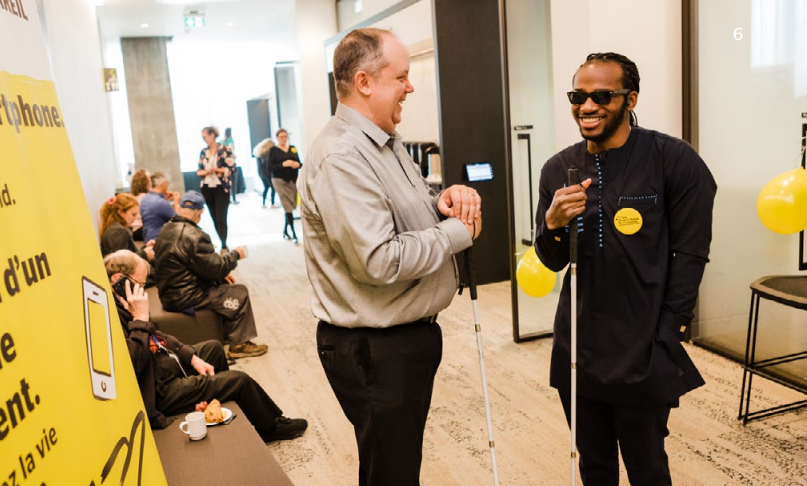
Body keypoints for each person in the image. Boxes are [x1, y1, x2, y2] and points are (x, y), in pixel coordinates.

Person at [297, 28, 482, 486]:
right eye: (401, 77)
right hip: (374, 350)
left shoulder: (383, 140)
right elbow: (380, 259)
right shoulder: (342, 156)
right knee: (390, 474)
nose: (410, 87)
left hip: (401, 340)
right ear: (364, 82)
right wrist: (457, 233)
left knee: (395, 466)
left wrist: (442, 202)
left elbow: (402, 214)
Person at [533, 52, 717, 486]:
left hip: (644, 344)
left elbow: (691, 254)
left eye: (602, 96)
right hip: (579, 344)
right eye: (578, 96)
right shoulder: (558, 169)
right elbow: (551, 259)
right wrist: (553, 224)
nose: (587, 106)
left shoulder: (673, 159)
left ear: (630, 99)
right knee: (594, 465)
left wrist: (668, 332)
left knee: (646, 464)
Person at [104, 249, 307, 441]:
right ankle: (269, 427)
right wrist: (140, 318)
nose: (142, 290)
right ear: (118, 280)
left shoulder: (124, 302)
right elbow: (132, 363)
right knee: (238, 381)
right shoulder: (109, 317)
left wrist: (189, 355)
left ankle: (217, 410)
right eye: (139, 283)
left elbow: (155, 334)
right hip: (156, 392)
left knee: (214, 348)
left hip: (158, 366)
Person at [153, 190, 269, 359]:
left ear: (180, 208)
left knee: (224, 283)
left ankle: (229, 335)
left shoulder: (166, 228)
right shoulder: (195, 236)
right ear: (200, 212)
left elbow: (197, 265)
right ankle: (239, 345)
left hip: (169, 293)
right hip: (186, 297)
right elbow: (217, 268)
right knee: (240, 293)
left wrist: (219, 276)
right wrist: (235, 255)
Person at [197, 126, 234, 253]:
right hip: (207, 188)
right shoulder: (203, 152)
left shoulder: (225, 150)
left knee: (221, 217)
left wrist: (216, 169)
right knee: (214, 217)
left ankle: (224, 245)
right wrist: (206, 172)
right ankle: (222, 241)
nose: (204, 139)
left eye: (205, 137)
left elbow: (231, 169)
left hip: (221, 188)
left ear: (212, 135)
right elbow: (199, 170)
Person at [267, 128, 301, 242]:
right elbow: (269, 168)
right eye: (281, 137)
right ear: (277, 138)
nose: (284, 139)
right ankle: (294, 233)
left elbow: (299, 162)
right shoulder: (273, 150)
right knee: (287, 206)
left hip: (293, 180)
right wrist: (283, 164)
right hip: (279, 180)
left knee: (290, 206)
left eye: (285, 136)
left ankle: (285, 230)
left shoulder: (292, 148)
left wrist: (297, 164)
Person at [100, 193, 154, 262]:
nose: (136, 218)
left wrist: (145, 248)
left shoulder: (115, 229)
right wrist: (144, 254)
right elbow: (123, 261)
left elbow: (130, 253)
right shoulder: (117, 232)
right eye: (133, 214)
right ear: (120, 212)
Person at [140, 172, 180, 243]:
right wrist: (177, 202)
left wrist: (165, 200)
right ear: (164, 184)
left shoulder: (145, 199)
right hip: (159, 240)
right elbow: (179, 220)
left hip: (147, 238)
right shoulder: (160, 202)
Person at [254, 137, 277, 209]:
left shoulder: (259, 153)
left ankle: (263, 203)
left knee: (266, 187)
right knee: (273, 188)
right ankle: (272, 203)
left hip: (261, 174)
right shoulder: (267, 153)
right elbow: (268, 164)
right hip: (268, 173)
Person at [129, 169, 151, 241]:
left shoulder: (133, 198)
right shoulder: (146, 198)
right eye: (150, 179)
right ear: (145, 183)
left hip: (134, 230)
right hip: (140, 230)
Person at [222, 127, 240, 205]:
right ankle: (234, 199)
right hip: (231, 163)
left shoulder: (222, 141)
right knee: (232, 182)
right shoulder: (230, 140)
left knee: (226, 183)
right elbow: (232, 151)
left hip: (224, 164)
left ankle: (227, 200)